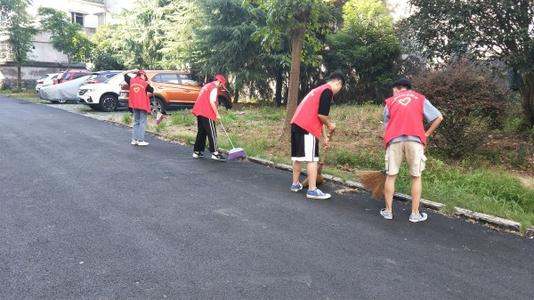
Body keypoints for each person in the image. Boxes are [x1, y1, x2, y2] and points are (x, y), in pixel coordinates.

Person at [381, 78, 444, 223]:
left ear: (397, 88)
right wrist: (426, 134)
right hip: (415, 140)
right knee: (416, 177)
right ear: (409, 89)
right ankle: (415, 214)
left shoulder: (390, 101)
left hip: (394, 140)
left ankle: (388, 212)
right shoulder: (420, 99)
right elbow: (439, 117)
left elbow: (386, 125)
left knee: (391, 176)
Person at [289, 72, 345, 200]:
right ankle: (312, 190)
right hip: (307, 126)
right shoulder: (328, 91)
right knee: (312, 159)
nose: (337, 91)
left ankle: (295, 184)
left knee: (298, 157)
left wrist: (324, 137)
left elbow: (319, 118)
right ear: (338, 83)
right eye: (340, 88)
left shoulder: (317, 90)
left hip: (296, 123)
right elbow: (322, 116)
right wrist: (331, 125)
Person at [191, 74, 227, 161]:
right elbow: (212, 101)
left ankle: (197, 151)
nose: (221, 86)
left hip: (199, 111)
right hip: (207, 112)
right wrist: (217, 114)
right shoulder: (214, 87)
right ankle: (215, 153)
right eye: (221, 84)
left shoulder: (206, 86)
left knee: (202, 132)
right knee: (212, 133)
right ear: (219, 82)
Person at [125, 70, 154, 146]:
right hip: (142, 105)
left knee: (136, 122)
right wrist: (149, 83)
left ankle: (134, 140)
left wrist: (132, 71)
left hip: (134, 104)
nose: (145, 77)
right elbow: (152, 90)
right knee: (142, 122)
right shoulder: (144, 83)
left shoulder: (131, 80)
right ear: (142, 75)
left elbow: (124, 74)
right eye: (145, 76)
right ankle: (141, 140)